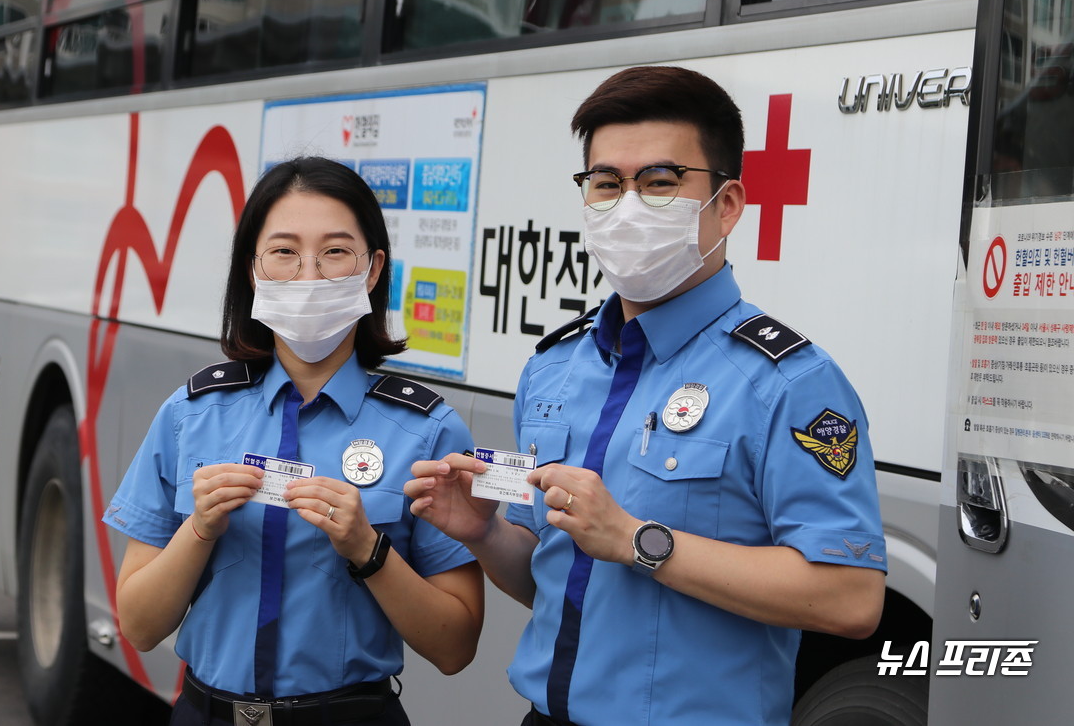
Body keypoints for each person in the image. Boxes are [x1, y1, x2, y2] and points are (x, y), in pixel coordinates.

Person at [404, 66, 886, 726]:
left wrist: (637, 538)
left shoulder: (789, 382)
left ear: (728, 204)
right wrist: (486, 533)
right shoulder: (554, 369)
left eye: (659, 182)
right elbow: (555, 576)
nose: (626, 205)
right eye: (606, 183)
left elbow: (851, 597)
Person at [104, 156, 484, 726]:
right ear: (254, 270)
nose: (308, 274)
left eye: (335, 252)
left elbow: (456, 647)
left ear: (373, 268)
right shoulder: (191, 414)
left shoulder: (427, 428)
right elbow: (138, 624)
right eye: (283, 252)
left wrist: (367, 550)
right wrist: (200, 528)